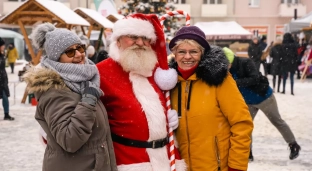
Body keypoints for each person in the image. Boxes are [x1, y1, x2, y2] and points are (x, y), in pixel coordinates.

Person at [97, 13, 186, 171]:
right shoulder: (100, 73)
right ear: (118, 40)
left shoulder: (158, 70)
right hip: (129, 160)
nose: (140, 42)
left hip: (168, 159)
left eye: (145, 38)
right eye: (132, 37)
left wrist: (169, 117)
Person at [23, 23, 117, 171]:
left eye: (79, 48)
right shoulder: (54, 91)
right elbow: (69, 139)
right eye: (70, 52)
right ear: (56, 58)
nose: (79, 54)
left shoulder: (86, 79)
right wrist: (88, 102)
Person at [168, 26, 253, 171]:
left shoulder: (219, 80)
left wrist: (236, 166)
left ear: (202, 53)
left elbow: (242, 123)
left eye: (193, 51)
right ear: (174, 55)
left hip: (216, 166)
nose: (187, 57)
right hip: (182, 166)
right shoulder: (169, 84)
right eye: (181, 51)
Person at [223, 47, 301, 161]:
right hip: (248, 102)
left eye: (226, 64)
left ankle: (293, 145)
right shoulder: (226, 71)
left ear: (230, 60)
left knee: (277, 121)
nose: (225, 68)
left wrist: (235, 83)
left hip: (264, 97)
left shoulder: (245, 62)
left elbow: (255, 79)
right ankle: (248, 152)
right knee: (245, 127)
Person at [0, 37, 14, 121]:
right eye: (2, 45)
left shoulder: (2, 55)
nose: (4, 47)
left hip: (3, 80)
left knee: (5, 97)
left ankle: (6, 114)